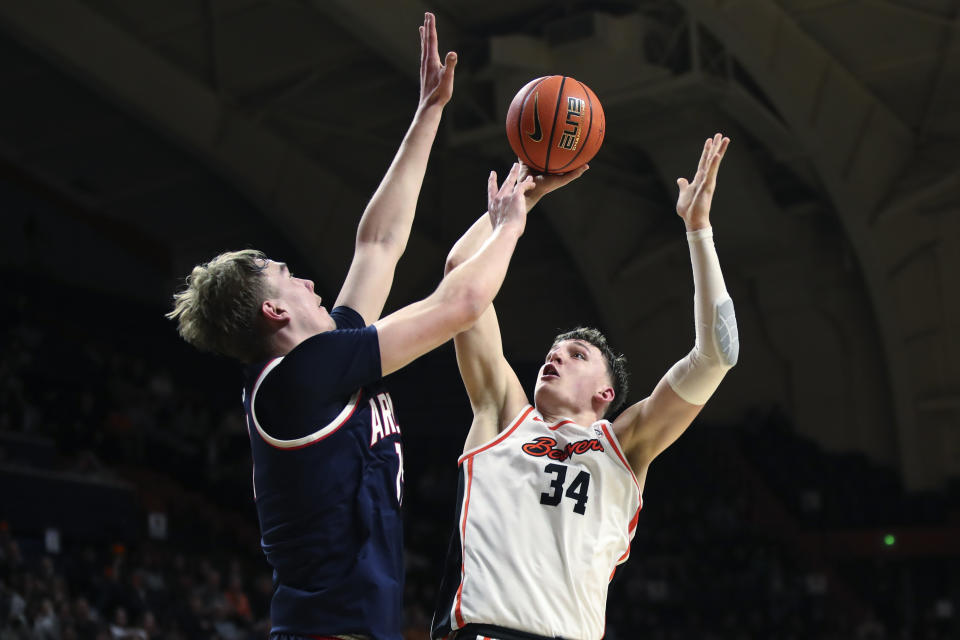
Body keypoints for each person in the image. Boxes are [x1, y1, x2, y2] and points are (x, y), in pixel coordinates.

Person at [167, 14, 583, 640]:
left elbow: (378, 243)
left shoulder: (318, 359)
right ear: (273, 313)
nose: (306, 279)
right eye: (286, 276)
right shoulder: (301, 378)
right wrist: (512, 227)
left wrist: (428, 111)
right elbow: (459, 303)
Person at [431, 134, 738, 640]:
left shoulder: (625, 446)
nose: (555, 356)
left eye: (577, 356)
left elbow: (718, 354)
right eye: (554, 350)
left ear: (605, 394)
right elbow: (460, 279)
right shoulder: (501, 413)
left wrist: (699, 231)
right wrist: (520, 205)